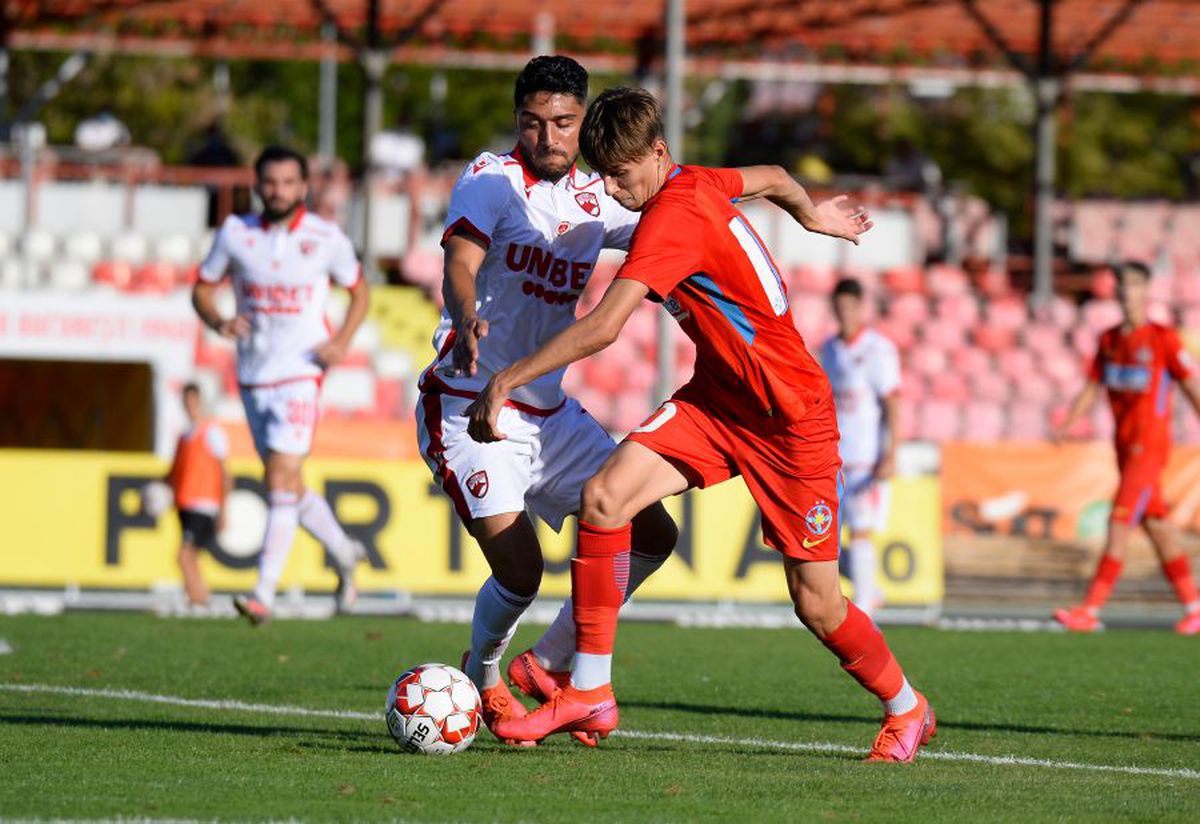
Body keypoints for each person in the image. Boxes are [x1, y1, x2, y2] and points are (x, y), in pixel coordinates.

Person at [467, 87, 935, 762]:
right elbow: (773, 177)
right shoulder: (697, 180)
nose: (619, 190)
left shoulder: (671, 219)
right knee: (605, 498)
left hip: (791, 419)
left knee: (818, 605)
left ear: (658, 153)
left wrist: (506, 380)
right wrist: (813, 216)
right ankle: (587, 687)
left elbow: (603, 326)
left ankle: (907, 707)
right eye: (608, 175)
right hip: (720, 402)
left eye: (627, 174)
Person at [418, 56, 678, 744]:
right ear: (517, 123)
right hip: (472, 406)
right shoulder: (490, 181)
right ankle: (484, 672)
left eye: (563, 122)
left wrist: (777, 198)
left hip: (548, 412)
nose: (549, 136)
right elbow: (460, 263)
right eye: (533, 123)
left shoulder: (598, 197)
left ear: (581, 121)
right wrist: (467, 314)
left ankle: (551, 660)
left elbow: (673, 213)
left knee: (653, 534)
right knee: (522, 569)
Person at [193, 145, 370, 626]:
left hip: (302, 370)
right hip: (253, 374)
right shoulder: (235, 233)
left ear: (303, 186)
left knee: (279, 480)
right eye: (270, 183)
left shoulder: (325, 236)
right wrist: (218, 320)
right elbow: (202, 288)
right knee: (289, 484)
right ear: (257, 185)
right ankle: (345, 554)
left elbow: (359, 290)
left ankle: (262, 594)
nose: (279, 191)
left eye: (289, 183)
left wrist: (343, 341)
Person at [1052, 261, 1200, 634]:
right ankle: (1194, 606)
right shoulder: (1110, 339)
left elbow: (1190, 385)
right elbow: (1093, 386)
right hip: (1123, 447)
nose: (1126, 291)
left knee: (1119, 522)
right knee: (1156, 525)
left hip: (1148, 447)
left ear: (1146, 290)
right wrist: (1070, 420)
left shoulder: (1163, 339)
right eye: (1121, 284)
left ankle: (1090, 609)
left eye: (1133, 284)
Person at [819, 278, 901, 618]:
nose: (846, 313)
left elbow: (892, 401)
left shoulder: (878, 349)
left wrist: (891, 450)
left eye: (851, 306)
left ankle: (865, 605)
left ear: (861, 307)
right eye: (840, 307)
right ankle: (872, 590)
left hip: (867, 457)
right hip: (835, 455)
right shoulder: (829, 349)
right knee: (832, 538)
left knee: (862, 528)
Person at [166, 382, 232, 608]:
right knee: (191, 556)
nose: (190, 406)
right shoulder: (184, 436)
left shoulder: (211, 432)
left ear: (199, 402)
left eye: (193, 401)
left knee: (184, 556)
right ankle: (200, 598)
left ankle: (199, 600)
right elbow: (174, 472)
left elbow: (225, 473)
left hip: (203, 504)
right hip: (184, 503)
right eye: (186, 402)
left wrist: (224, 510)